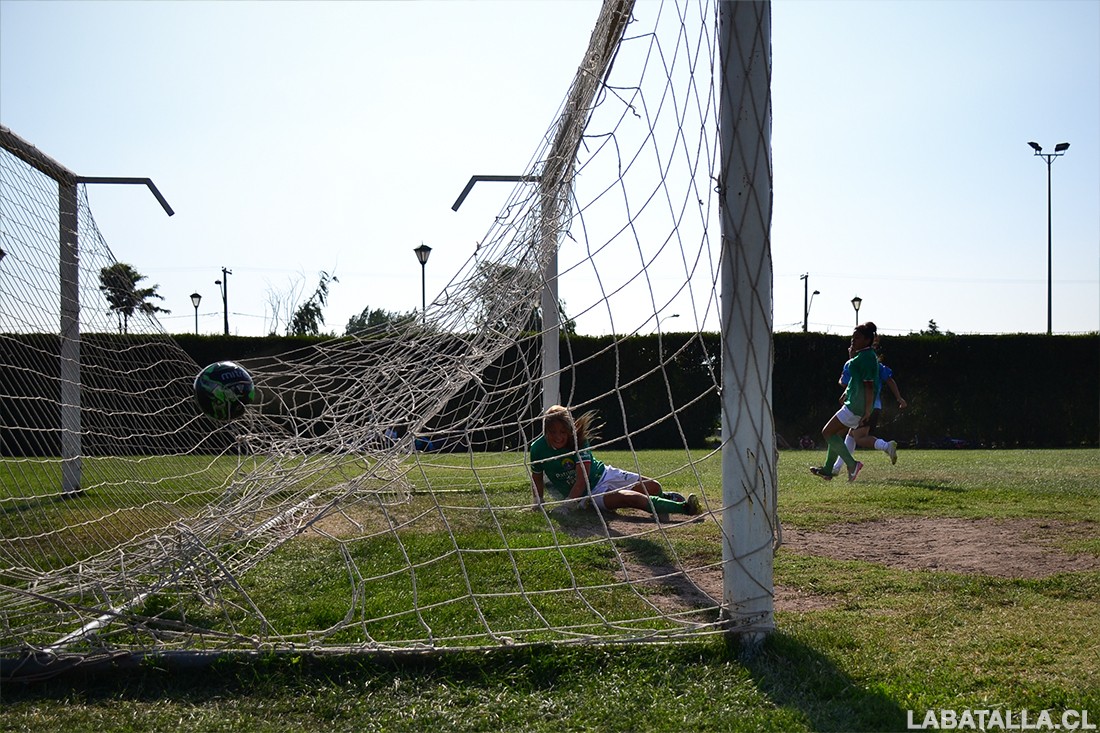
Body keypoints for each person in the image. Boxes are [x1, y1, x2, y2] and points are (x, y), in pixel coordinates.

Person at [529, 405, 702, 518]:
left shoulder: (579, 441)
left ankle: (665, 498)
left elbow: (582, 478)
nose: (558, 437)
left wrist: (566, 506)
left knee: (653, 486)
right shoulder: (537, 448)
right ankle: (685, 508)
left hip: (604, 474)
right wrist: (539, 503)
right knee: (630, 498)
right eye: (552, 432)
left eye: (562, 432)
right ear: (545, 430)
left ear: (569, 430)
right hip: (590, 494)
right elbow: (537, 477)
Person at [810, 322, 880, 482]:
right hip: (854, 404)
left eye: (857, 337)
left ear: (867, 340)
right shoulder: (863, 356)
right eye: (852, 337)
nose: (853, 340)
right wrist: (846, 393)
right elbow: (856, 379)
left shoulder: (866, 358)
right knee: (834, 435)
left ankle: (852, 464)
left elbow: (869, 387)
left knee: (827, 432)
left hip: (856, 406)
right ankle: (828, 470)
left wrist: (867, 410)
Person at [830, 339, 908, 474]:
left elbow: (845, 382)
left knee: (859, 438)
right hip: (875, 406)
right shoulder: (877, 365)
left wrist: (850, 361)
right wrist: (899, 398)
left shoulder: (854, 364)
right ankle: (836, 468)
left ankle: (886, 446)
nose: (850, 348)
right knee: (852, 435)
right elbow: (890, 380)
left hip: (862, 406)